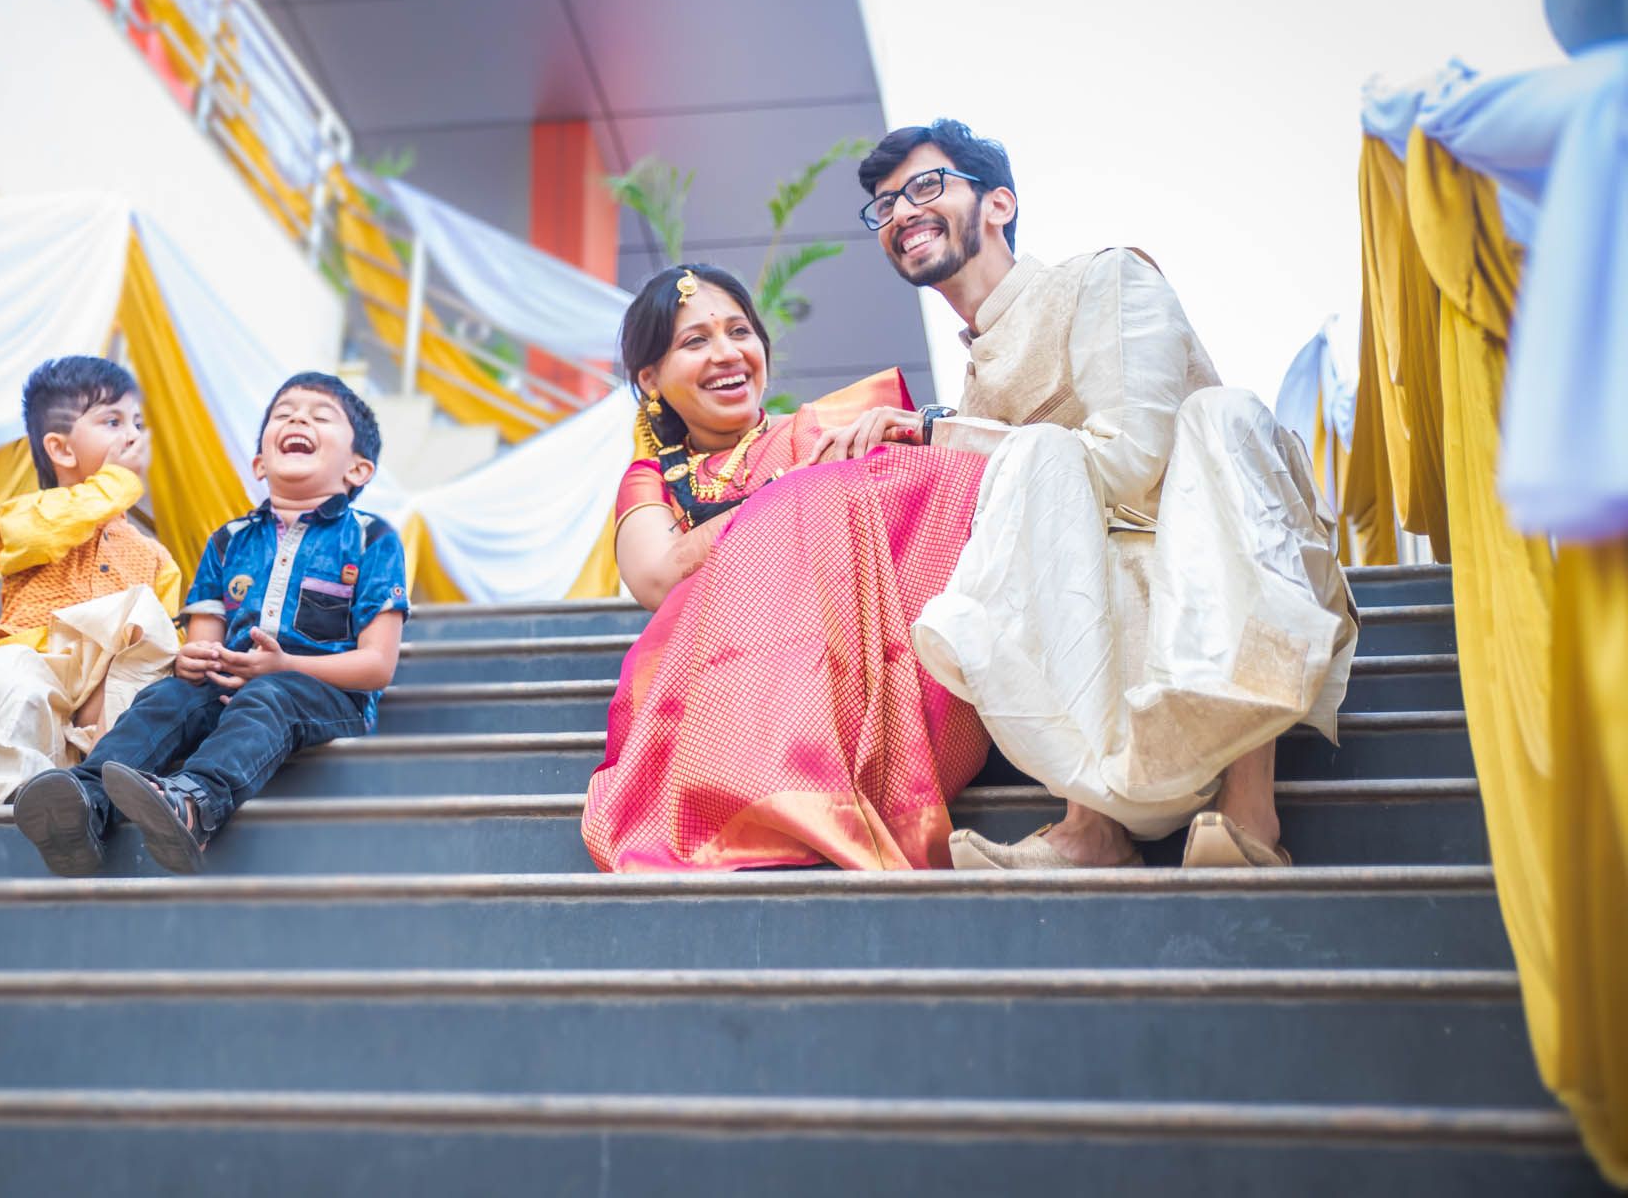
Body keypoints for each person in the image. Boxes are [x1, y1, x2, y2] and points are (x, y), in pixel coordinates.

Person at [816, 118, 1358, 869]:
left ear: (999, 204)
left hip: (1212, 548)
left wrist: (940, 433)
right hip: (1103, 590)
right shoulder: (972, 385)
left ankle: (1250, 806)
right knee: (1026, 489)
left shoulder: (1107, 278)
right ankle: (1093, 825)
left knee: (1224, 415)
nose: (902, 211)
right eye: (885, 204)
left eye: (925, 185)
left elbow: (1134, 458)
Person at [581, 265, 992, 872]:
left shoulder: (826, 431)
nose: (727, 354)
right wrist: (788, 496)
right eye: (695, 341)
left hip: (853, 665)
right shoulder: (653, 480)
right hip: (731, 690)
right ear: (651, 379)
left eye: (738, 332)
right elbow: (657, 578)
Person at [12, 371, 410, 876]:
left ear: (358, 468)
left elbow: (377, 666)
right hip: (233, 683)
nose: (298, 420)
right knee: (168, 697)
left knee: (271, 695)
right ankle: (86, 802)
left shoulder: (372, 538)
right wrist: (193, 659)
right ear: (259, 463)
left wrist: (285, 666)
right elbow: (203, 645)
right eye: (284, 414)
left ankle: (195, 804)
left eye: (320, 416)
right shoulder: (227, 541)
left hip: (323, 692)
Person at [0, 357, 182, 808]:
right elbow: (43, 534)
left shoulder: (156, 556)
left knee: (149, 630)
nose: (132, 436)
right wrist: (119, 480)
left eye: (138, 424)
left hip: (103, 701)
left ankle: (95, 784)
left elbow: (161, 640)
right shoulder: (27, 514)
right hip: (34, 665)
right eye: (113, 421)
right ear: (61, 450)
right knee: (3, 675)